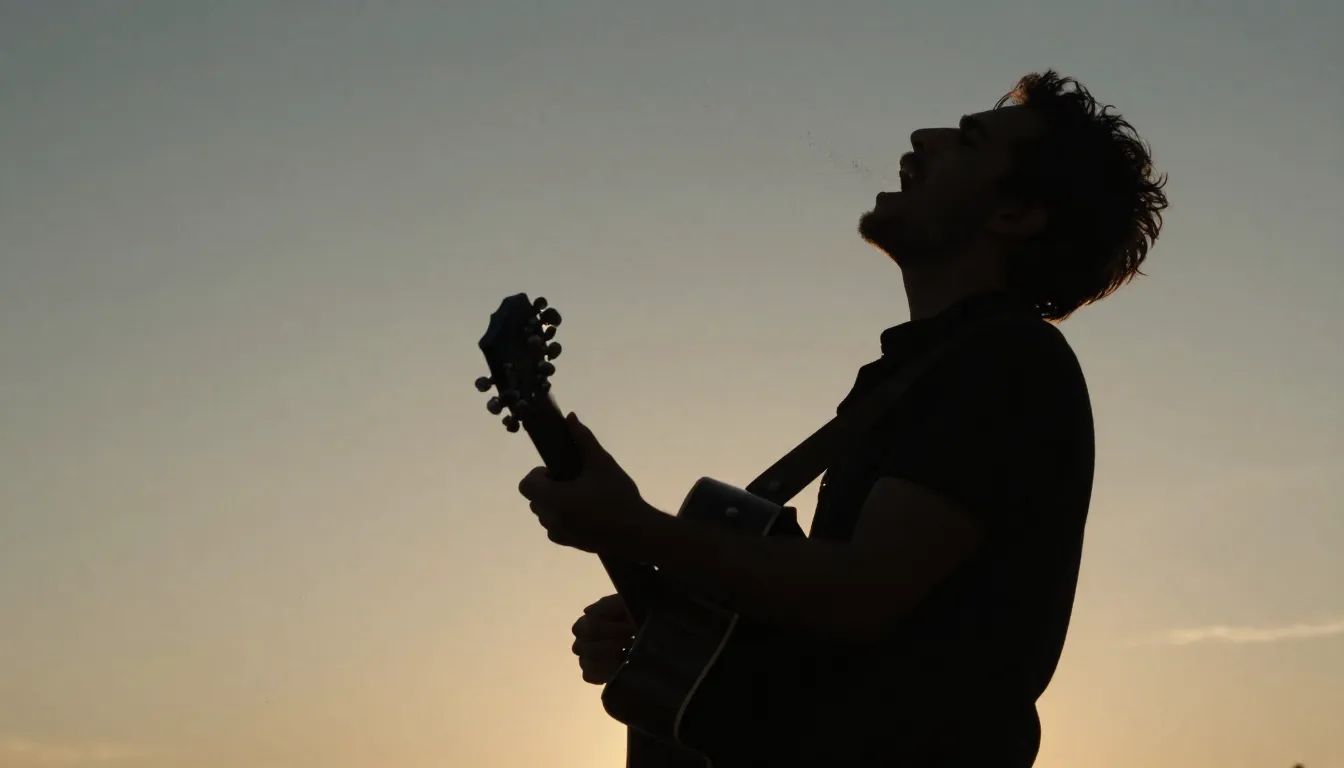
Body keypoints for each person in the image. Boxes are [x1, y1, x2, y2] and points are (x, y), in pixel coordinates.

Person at [518, 70, 1169, 766]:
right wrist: (674, 618)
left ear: (1014, 214)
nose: (923, 137)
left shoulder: (1008, 363)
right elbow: (847, 646)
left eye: (969, 138)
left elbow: (861, 595)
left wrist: (637, 529)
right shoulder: (917, 376)